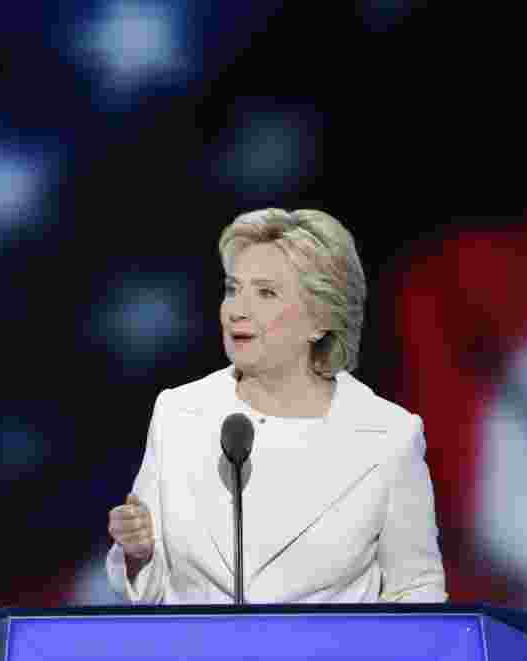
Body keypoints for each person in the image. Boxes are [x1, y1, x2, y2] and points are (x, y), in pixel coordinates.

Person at [105, 208, 447, 604]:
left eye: (265, 293)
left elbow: (416, 592)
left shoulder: (388, 436)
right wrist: (139, 554)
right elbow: (153, 590)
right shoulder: (177, 413)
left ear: (321, 317)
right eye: (233, 289)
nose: (237, 309)